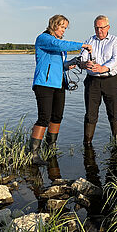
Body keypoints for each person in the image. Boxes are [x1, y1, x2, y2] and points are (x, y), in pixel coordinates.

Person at [30, 14, 92, 165]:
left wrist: (71, 63)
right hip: (44, 84)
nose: (64, 30)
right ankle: (33, 154)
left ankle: (51, 147)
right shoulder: (44, 38)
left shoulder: (57, 43)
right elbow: (59, 45)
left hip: (59, 84)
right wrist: (83, 45)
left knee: (57, 117)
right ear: (54, 25)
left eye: (65, 27)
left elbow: (60, 64)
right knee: (44, 117)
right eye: (62, 27)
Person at [80, 15, 117, 146]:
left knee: (114, 113)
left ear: (108, 27)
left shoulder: (115, 41)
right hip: (92, 82)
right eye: (97, 28)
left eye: (102, 28)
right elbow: (82, 58)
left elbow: (116, 58)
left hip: (111, 81)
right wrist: (84, 64)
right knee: (90, 114)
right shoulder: (89, 41)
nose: (99, 31)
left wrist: (103, 68)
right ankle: (87, 144)